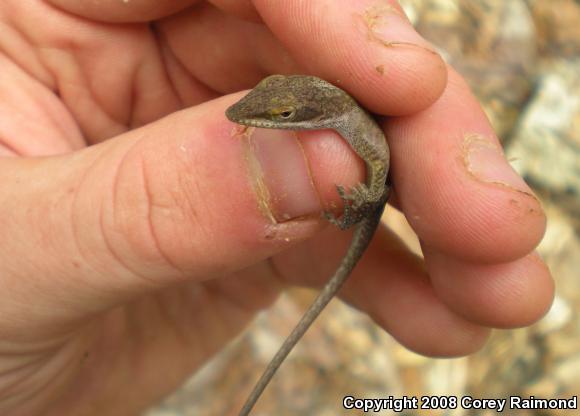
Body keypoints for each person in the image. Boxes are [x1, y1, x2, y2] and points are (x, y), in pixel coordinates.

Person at [0, 1, 552, 414]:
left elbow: (379, 173)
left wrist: (363, 200)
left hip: (362, 199)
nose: (253, 118)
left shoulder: (349, 127)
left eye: (281, 116)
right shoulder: (324, 105)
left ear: (308, 114)